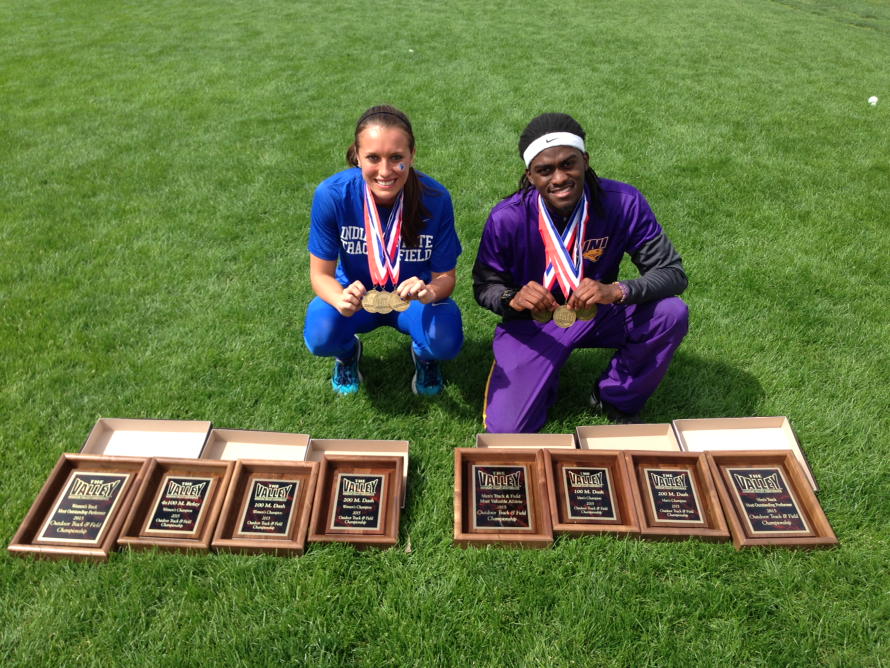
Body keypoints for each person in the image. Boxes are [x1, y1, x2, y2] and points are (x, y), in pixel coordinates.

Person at [473, 113, 688, 432]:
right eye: (545, 170)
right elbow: (484, 285)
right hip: (533, 322)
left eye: (568, 164)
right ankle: (542, 378)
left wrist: (616, 291)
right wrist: (512, 298)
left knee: (670, 313)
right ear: (530, 175)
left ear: (585, 161)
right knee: (508, 431)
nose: (559, 178)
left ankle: (614, 396)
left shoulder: (623, 203)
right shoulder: (507, 218)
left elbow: (672, 273)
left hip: (597, 311)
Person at [304, 105, 463, 396]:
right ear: (357, 155)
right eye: (373, 158)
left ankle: (425, 357)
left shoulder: (436, 198)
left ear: (412, 154)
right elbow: (320, 275)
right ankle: (347, 354)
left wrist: (429, 292)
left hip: (413, 303)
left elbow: (446, 277)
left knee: (446, 339)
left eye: (397, 158)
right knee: (321, 333)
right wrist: (339, 298)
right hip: (357, 299)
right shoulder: (332, 195)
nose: (386, 171)